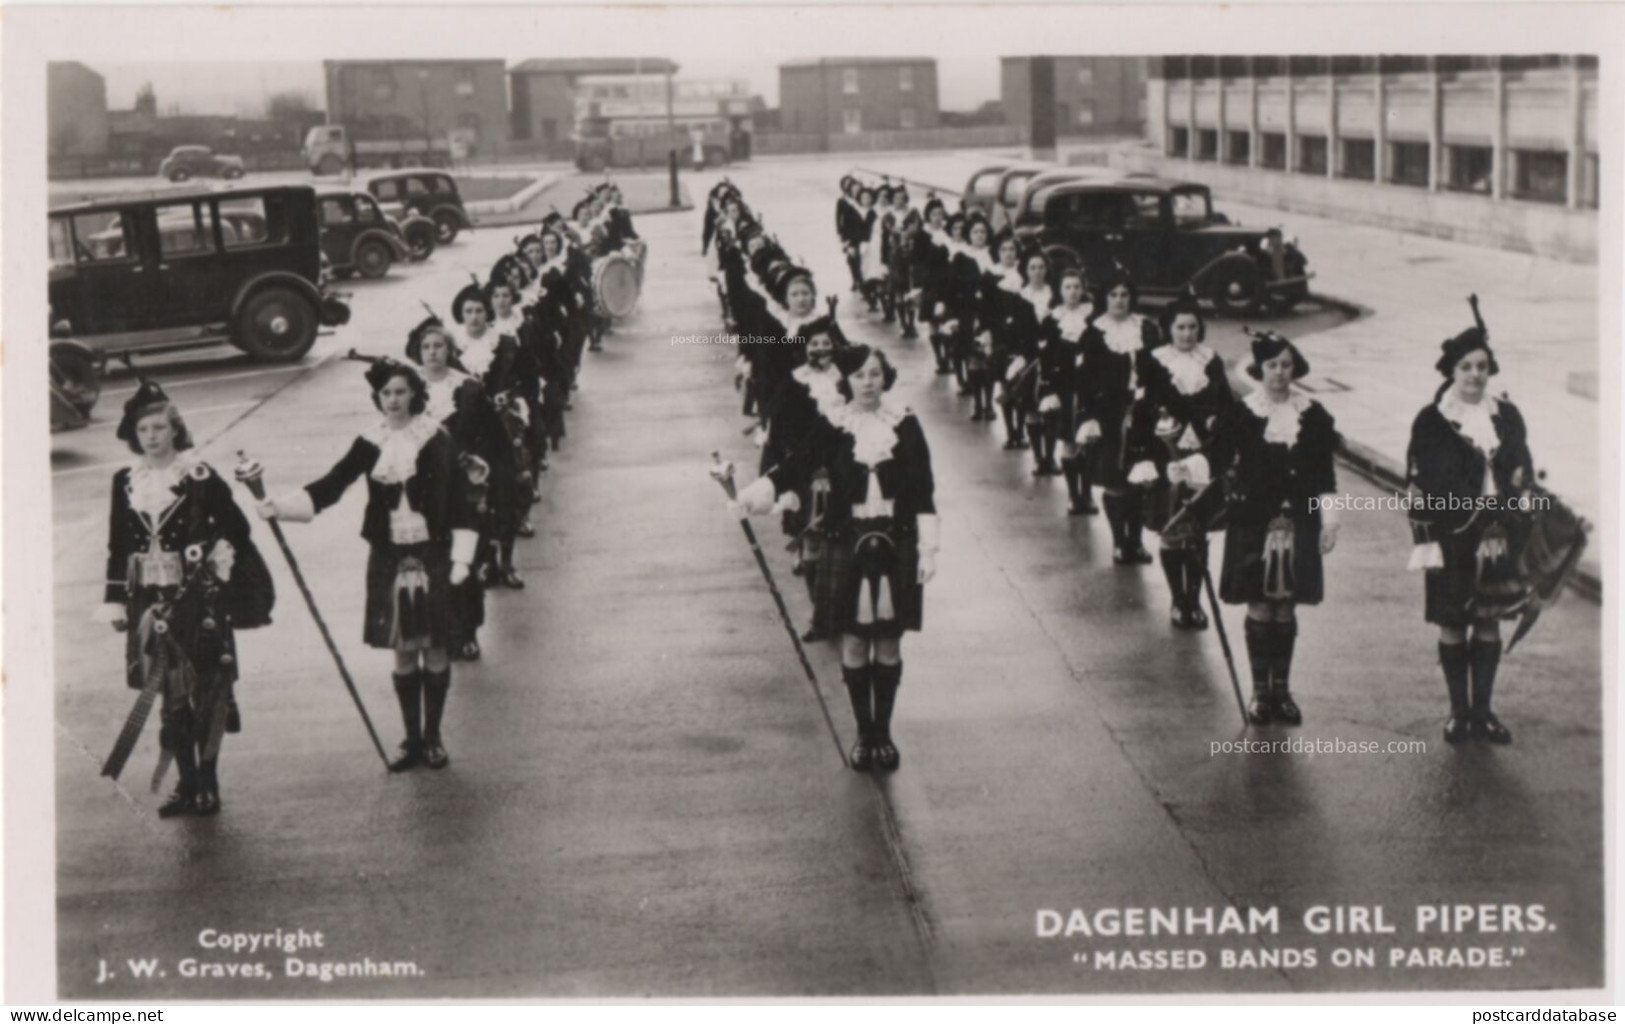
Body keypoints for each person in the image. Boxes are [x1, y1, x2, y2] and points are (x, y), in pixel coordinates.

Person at [256, 360, 480, 771]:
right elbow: (334, 483)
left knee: (435, 648)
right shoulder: (369, 441)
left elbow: (461, 498)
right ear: (377, 398)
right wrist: (281, 508)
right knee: (402, 651)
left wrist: (462, 558)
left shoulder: (436, 437)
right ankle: (411, 740)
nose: (393, 400)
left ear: (414, 394)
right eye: (386, 393)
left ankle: (434, 738)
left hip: (433, 553)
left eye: (400, 392)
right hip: (389, 557)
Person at [737, 346, 939, 773]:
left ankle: (884, 734)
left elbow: (923, 491)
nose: (868, 382)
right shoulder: (833, 425)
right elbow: (796, 466)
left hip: (897, 541)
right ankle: (863, 735)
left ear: (886, 378)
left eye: (875, 374)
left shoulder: (905, 424)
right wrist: (754, 496)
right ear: (846, 381)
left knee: (888, 641)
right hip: (846, 541)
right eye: (860, 375)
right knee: (854, 641)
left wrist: (928, 549)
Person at [97, 381, 275, 817]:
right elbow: (118, 546)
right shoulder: (125, 481)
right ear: (134, 435)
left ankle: (208, 782)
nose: (151, 436)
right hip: (147, 601)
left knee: (209, 689)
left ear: (175, 430)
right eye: (143, 430)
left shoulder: (198, 475)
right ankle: (186, 783)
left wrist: (210, 555)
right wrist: (115, 601)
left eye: (159, 428)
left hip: (197, 599)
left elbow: (237, 528)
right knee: (168, 692)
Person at [1405, 320, 1535, 744]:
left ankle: (1483, 712)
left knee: (1489, 620)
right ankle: (1458, 713)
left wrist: (1523, 513)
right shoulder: (1432, 420)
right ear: (1452, 371)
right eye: (1466, 367)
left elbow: (1523, 470)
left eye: (1481, 366)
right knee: (1452, 621)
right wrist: (1426, 542)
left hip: (1498, 534)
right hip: (1452, 537)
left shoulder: (1507, 416)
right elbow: (1417, 486)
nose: (1475, 375)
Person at [1209, 331, 1341, 726]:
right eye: (1272, 365)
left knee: (1286, 605)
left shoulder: (1313, 415)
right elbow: (1216, 460)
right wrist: (1189, 469)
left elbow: (1325, 475)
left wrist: (1330, 521)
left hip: (1300, 520)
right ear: (1259, 369)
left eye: (1286, 364)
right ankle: (1260, 693)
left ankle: (1282, 691)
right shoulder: (1241, 413)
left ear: (1294, 368)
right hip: (1252, 520)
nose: (1280, 372)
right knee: (1259, 603)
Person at [1124, 296, 1234, 628]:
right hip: (1166, 455)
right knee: (1172, 529)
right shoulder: (1154, 362)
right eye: (1180, 327)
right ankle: (1177, 599)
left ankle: (1195, 599)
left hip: (1202, 457)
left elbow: (1226, 407)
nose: (1187, 334)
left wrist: (1218, 436)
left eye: (1192, 327)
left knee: (1199, 531)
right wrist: (1143, 458)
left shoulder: (1211, 361)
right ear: (1168, 329)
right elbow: (1141, 415)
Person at [406, 317, 507, 661]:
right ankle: (442, 630)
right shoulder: (406, 389)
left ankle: (468, 631)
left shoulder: (468, 389)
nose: (432, 352)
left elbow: (494, 439)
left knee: (464, 561)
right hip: (421, 492)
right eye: (426, 347)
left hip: (462, 489)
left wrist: (482, 469)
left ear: (450, 351)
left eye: (438, 346)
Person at [1075, 266, 1162, 563]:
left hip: (1143, 413)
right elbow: (1084, 380)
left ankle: (1136, 541)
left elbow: (1159, 368)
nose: (1119, 300)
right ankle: (1119, 542)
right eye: (1113, 295)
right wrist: (1089, 416)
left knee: (1140, 478)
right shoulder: (1094, 332)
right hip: (1108, 415)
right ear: (1105, 298)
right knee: (1115, 479)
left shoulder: (1146, 328)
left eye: (1125, 295)